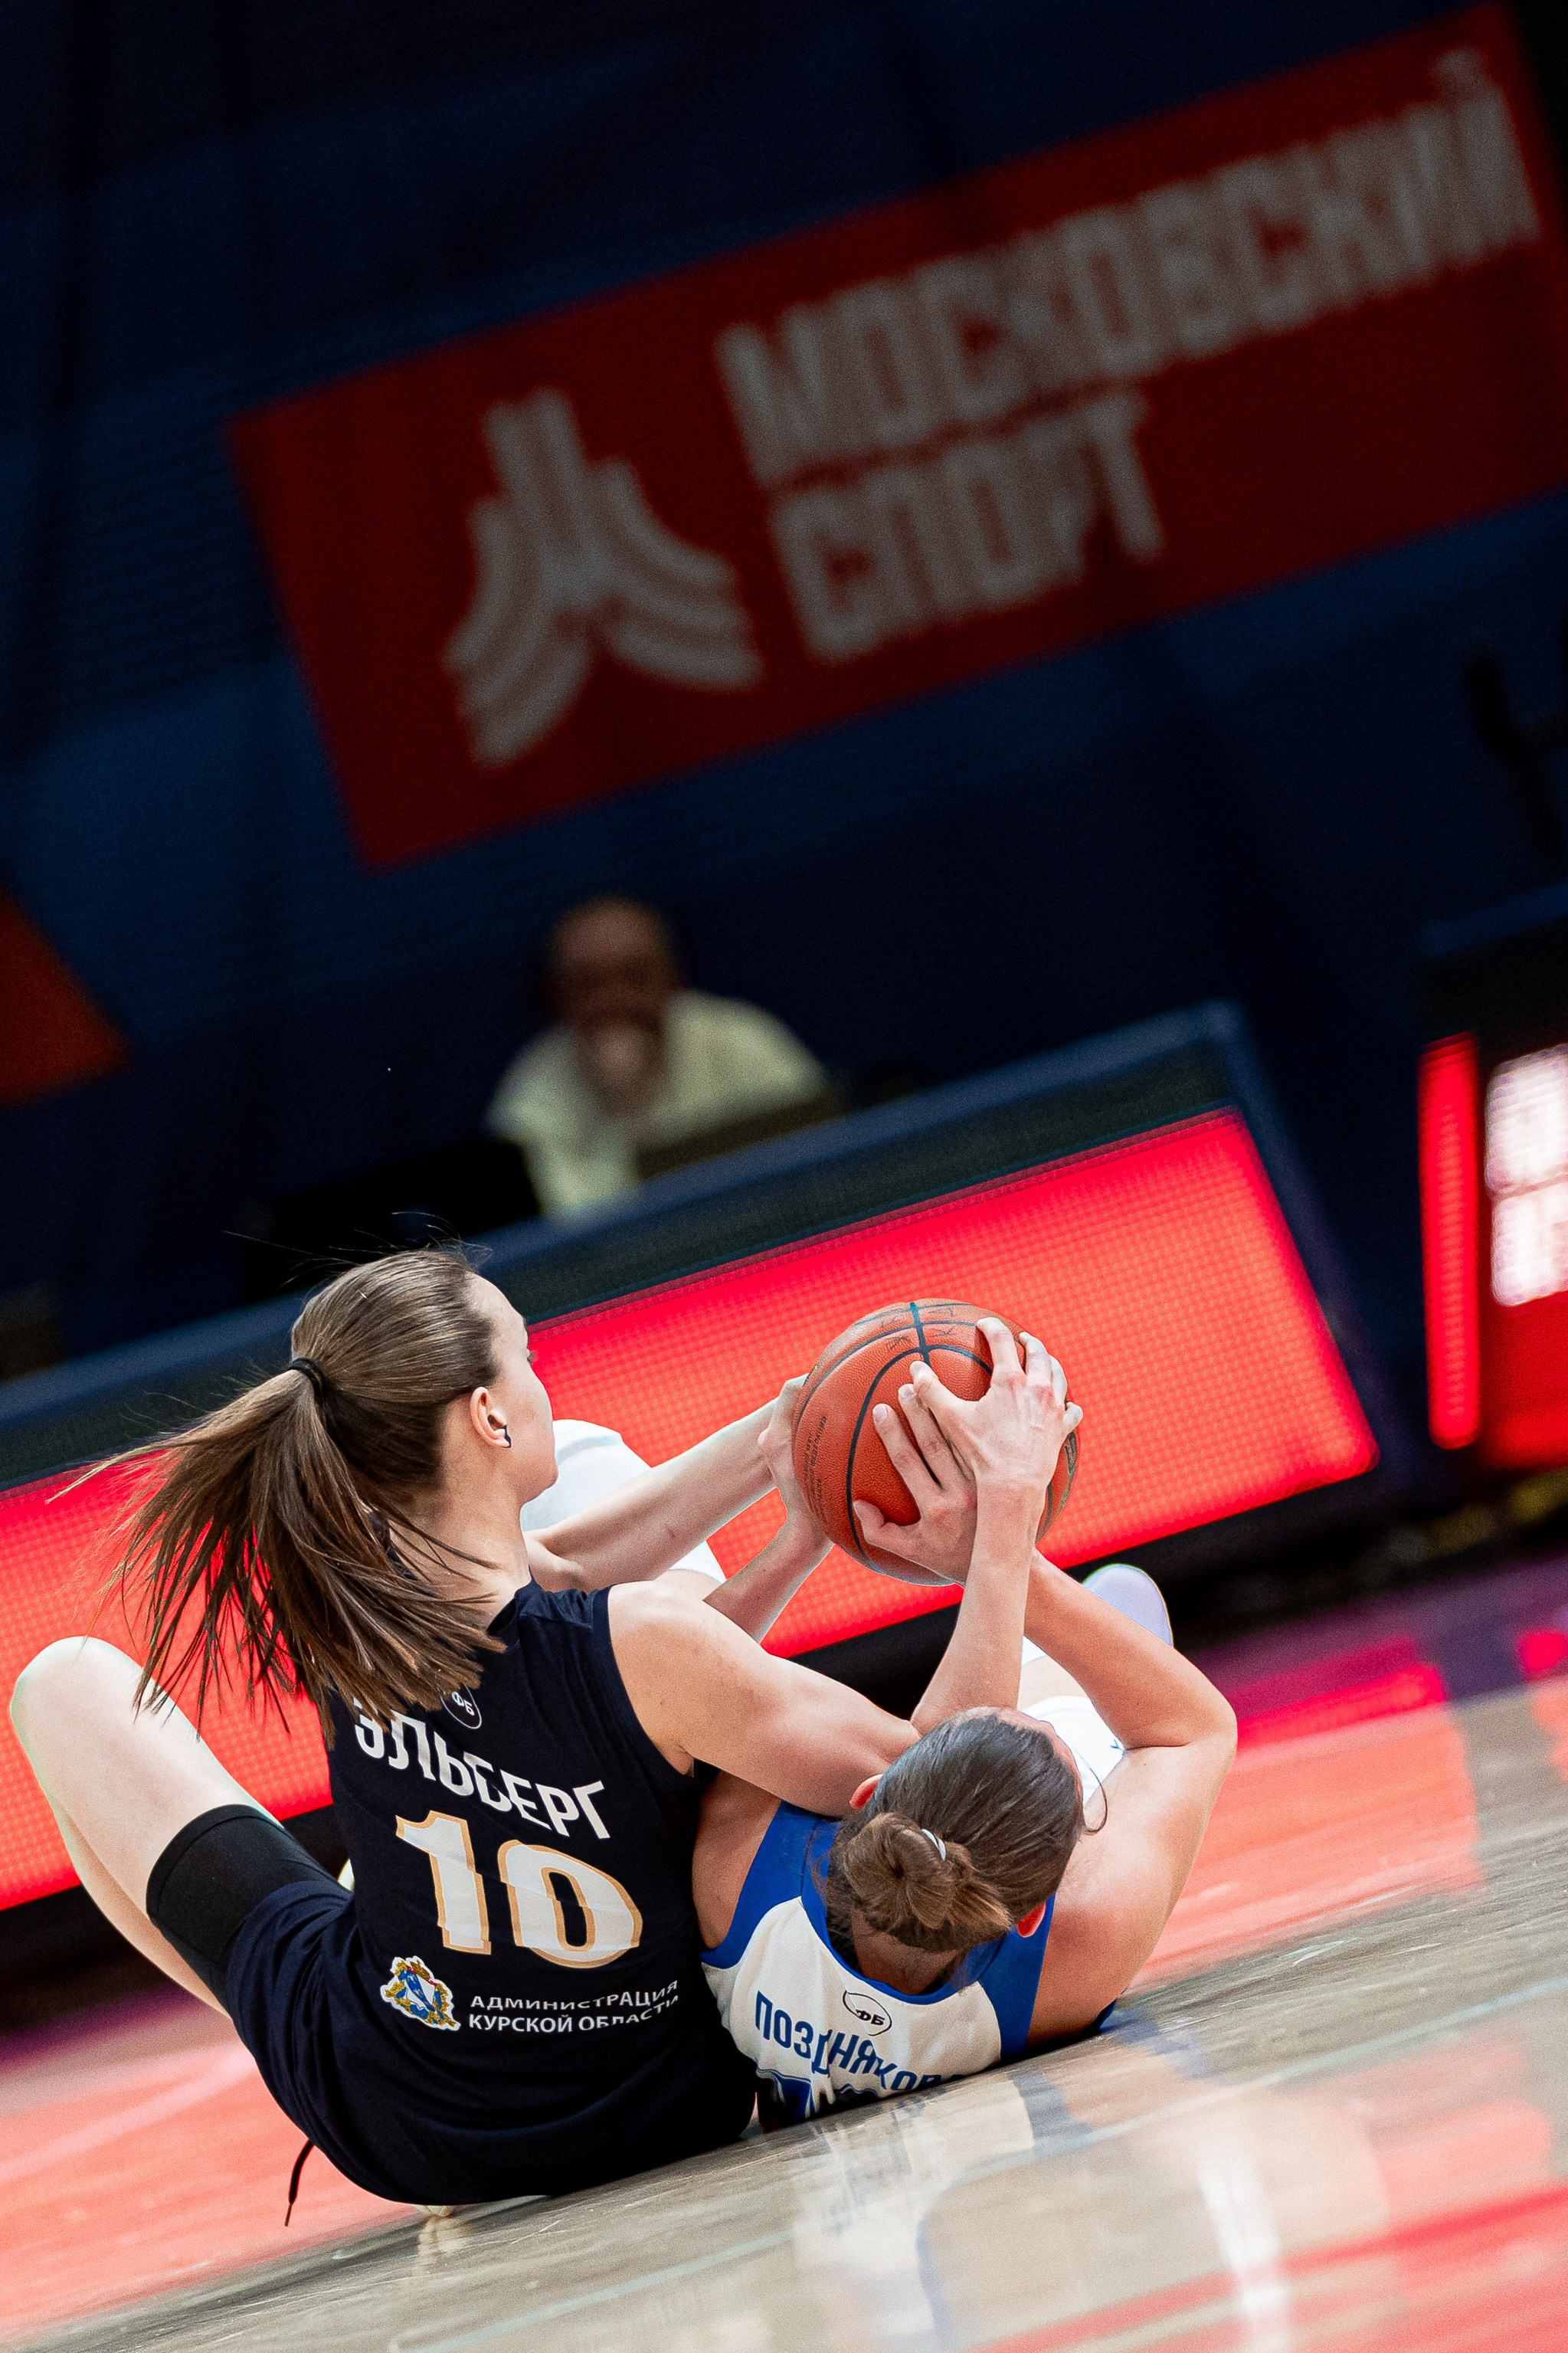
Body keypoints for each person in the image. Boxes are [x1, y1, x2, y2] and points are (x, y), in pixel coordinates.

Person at [9, 1250, 1076, 2210]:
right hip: (660, 2106)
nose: (538, 1371)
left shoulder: (346, 1593)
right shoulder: (644, 1645)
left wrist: (785, 1457)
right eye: (525, 1350)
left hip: (401, 2116)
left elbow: (552, 1585)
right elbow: (946, 1779)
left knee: (59, 1683)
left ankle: (289, 1998)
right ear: (487, 1415)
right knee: (615, 1516)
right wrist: (1005, 1508)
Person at [695, 1362, 1237, 2120]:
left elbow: (671, 1663)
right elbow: (1192, 1729)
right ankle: (1070, 1706)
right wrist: (998, 1540)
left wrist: (988, 1544)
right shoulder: (1073, 1957)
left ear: (864, 1794)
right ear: (1031, 1914)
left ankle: (1058, 1707)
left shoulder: (736, 1869)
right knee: (1094, 1706)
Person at [485, 896, 828, 1213]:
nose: (615, 1002)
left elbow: (821, 1157)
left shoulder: (739, 1036)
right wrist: (629, 1111)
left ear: (672, 976)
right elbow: (568, 1238)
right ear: (555, 997)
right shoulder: (530, 1097)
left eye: (636, 978)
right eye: (588, 986)